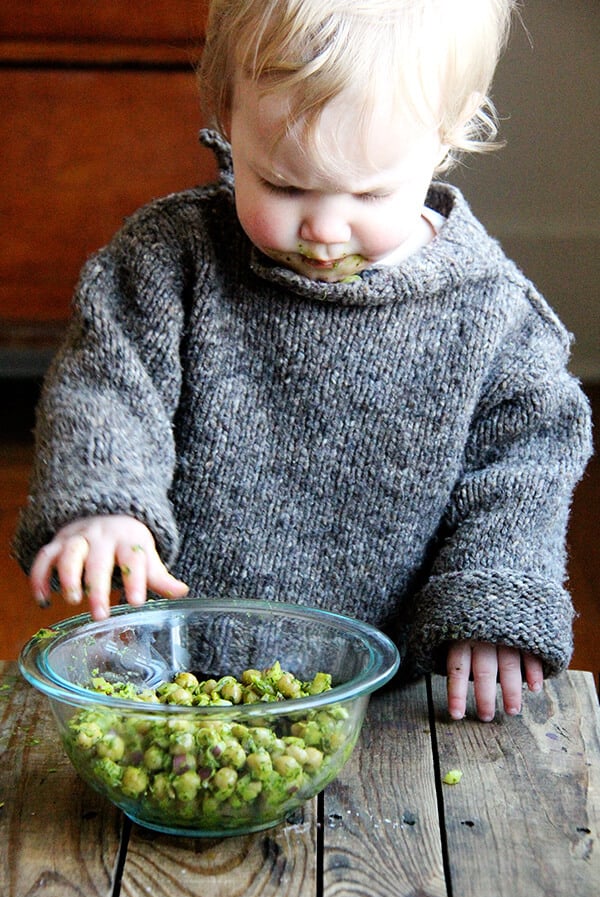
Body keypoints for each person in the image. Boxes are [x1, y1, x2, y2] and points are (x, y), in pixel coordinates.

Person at [13, 0, 592, 723]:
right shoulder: (171, 260)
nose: (322, 226)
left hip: (381, 693)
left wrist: (493, 593)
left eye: (370, 192)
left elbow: (524, 471)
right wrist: (104, 505)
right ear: (228, 118)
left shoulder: (497, 319)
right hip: (166, 668)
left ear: (451, 136)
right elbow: (107, 386)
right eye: (284, 185)